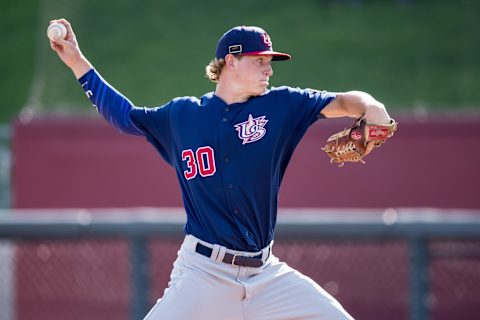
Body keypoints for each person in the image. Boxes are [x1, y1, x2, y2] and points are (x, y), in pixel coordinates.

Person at [50, 18, 392, 320]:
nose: (269, 69)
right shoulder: (182, 116)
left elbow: (347, 101)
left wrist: (373, 106)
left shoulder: (283, 105)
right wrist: (77, 62)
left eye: (270, 62)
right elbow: (125, 116)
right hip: (203, 274)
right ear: (231, 61)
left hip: (266, 276)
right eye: (260, 61)